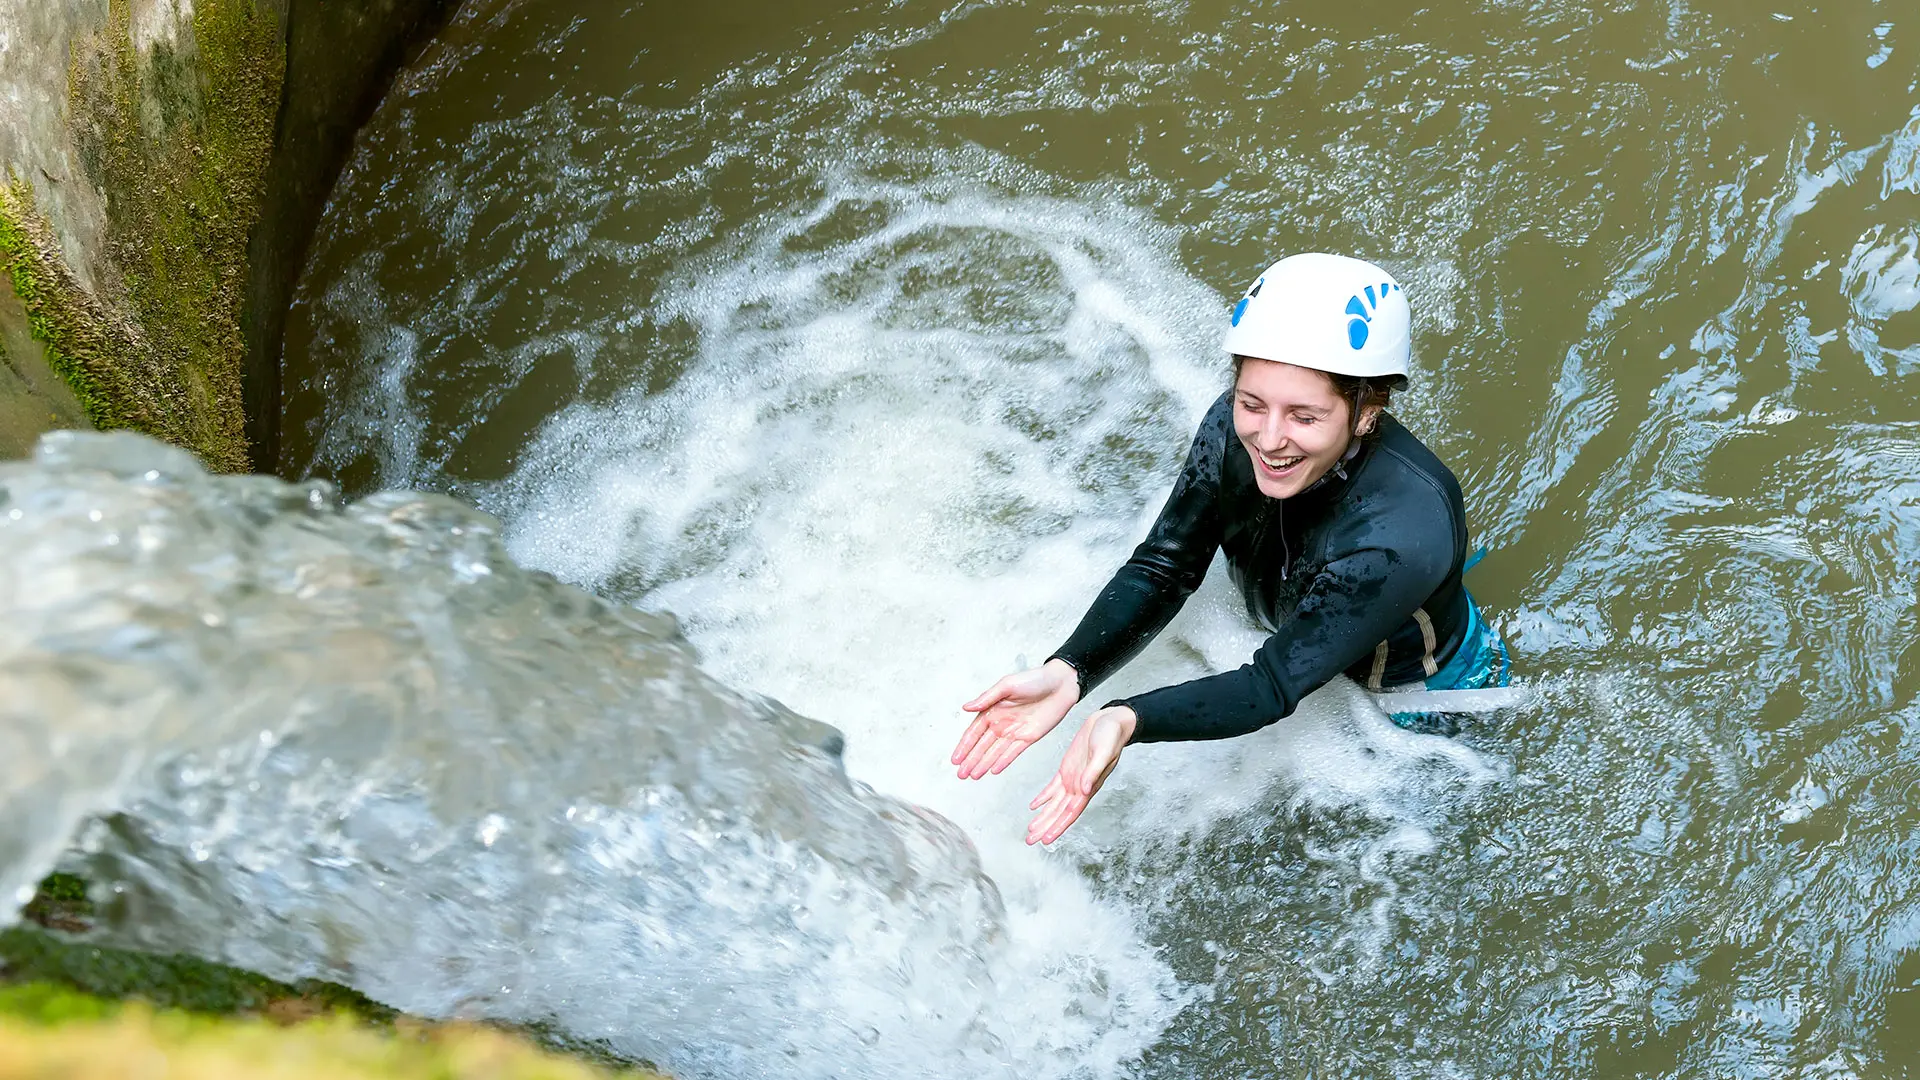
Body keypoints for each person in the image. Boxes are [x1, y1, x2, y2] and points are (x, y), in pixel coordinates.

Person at [950, 253, 1510, 845]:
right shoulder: (1230, 426)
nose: (1268, 441)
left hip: (1418, 690)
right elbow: (1166, 566)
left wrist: (1127, 718)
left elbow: (1270, 685)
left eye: (1305, 416)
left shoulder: (1400, 535)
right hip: (1316, 611)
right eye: (1252, 403)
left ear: (1367, 411)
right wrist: (1070, 671)